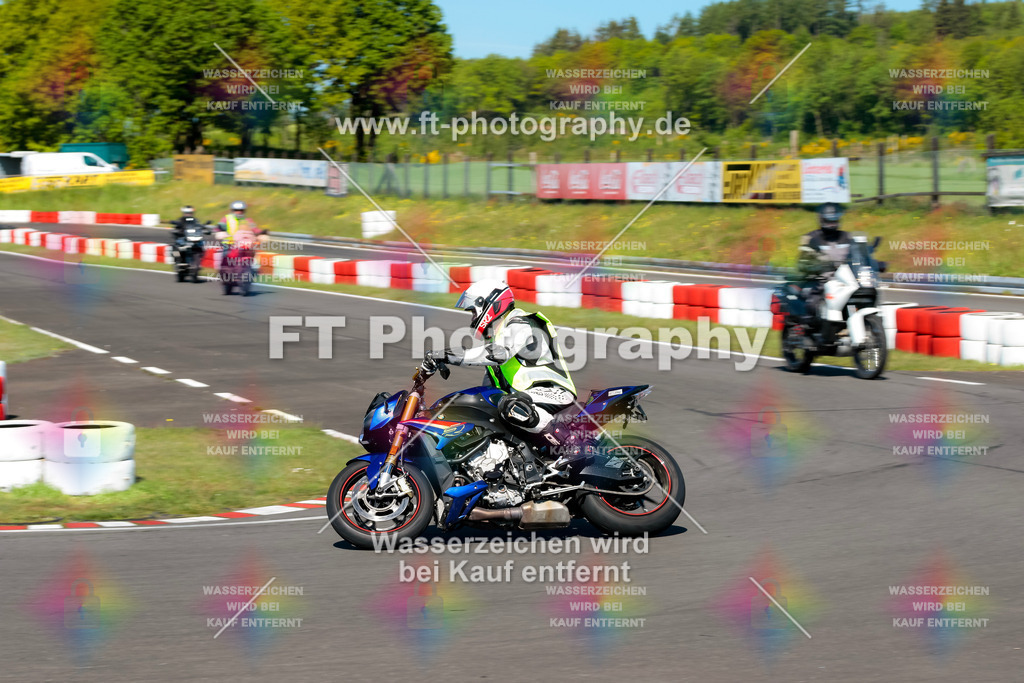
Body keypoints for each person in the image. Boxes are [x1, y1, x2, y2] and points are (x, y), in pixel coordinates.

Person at [420, 280, 577, 445]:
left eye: (473, 312)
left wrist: (448, 356)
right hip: (528, 401)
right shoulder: (496, 345)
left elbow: (500, 353)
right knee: (487, 409)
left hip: (554, 392)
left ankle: (571, 443)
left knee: (510, 404)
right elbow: (488, 392)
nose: (473, 318)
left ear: (490, 305)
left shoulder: (521, 322)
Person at [792, 202, 854, 327]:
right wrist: (816, 266)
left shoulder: (847, 237)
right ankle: (813, 334)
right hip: (821, 282)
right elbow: (802, 262)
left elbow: (859, 255)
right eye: (828, 220)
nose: (832, 223)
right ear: (821, 219)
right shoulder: (811, 238)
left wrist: (874, 262)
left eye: (834, 219)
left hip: (846, 282)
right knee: (814, 307)